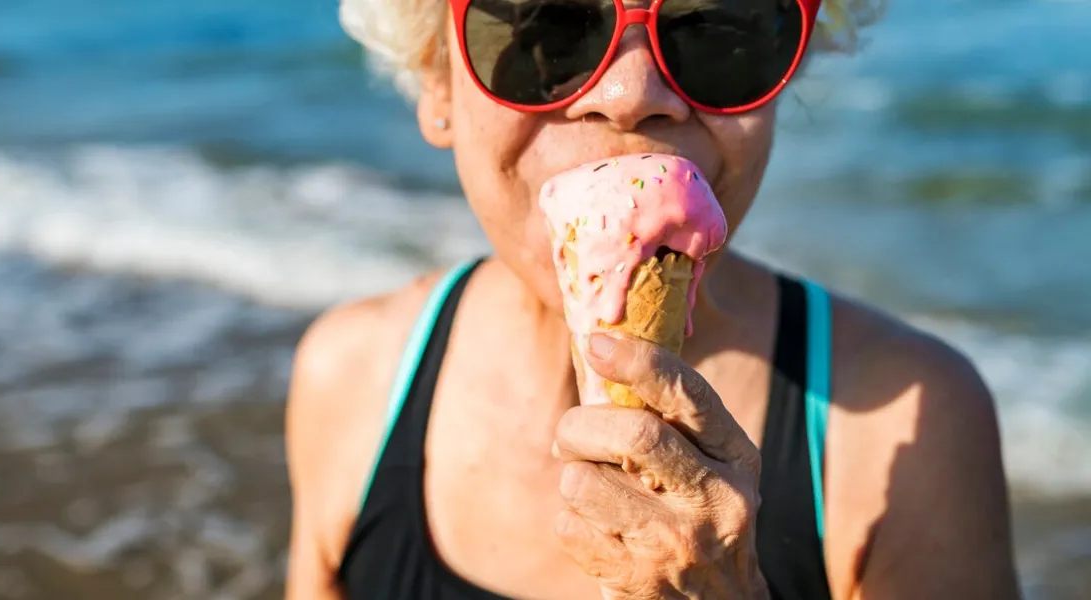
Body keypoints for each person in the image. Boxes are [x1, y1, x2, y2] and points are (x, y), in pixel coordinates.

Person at [286, 0, 1022, 598]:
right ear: (436, 81)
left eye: (717, 28)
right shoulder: (352, 377)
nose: (632, 96)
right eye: (549, 26)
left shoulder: (909, 420)